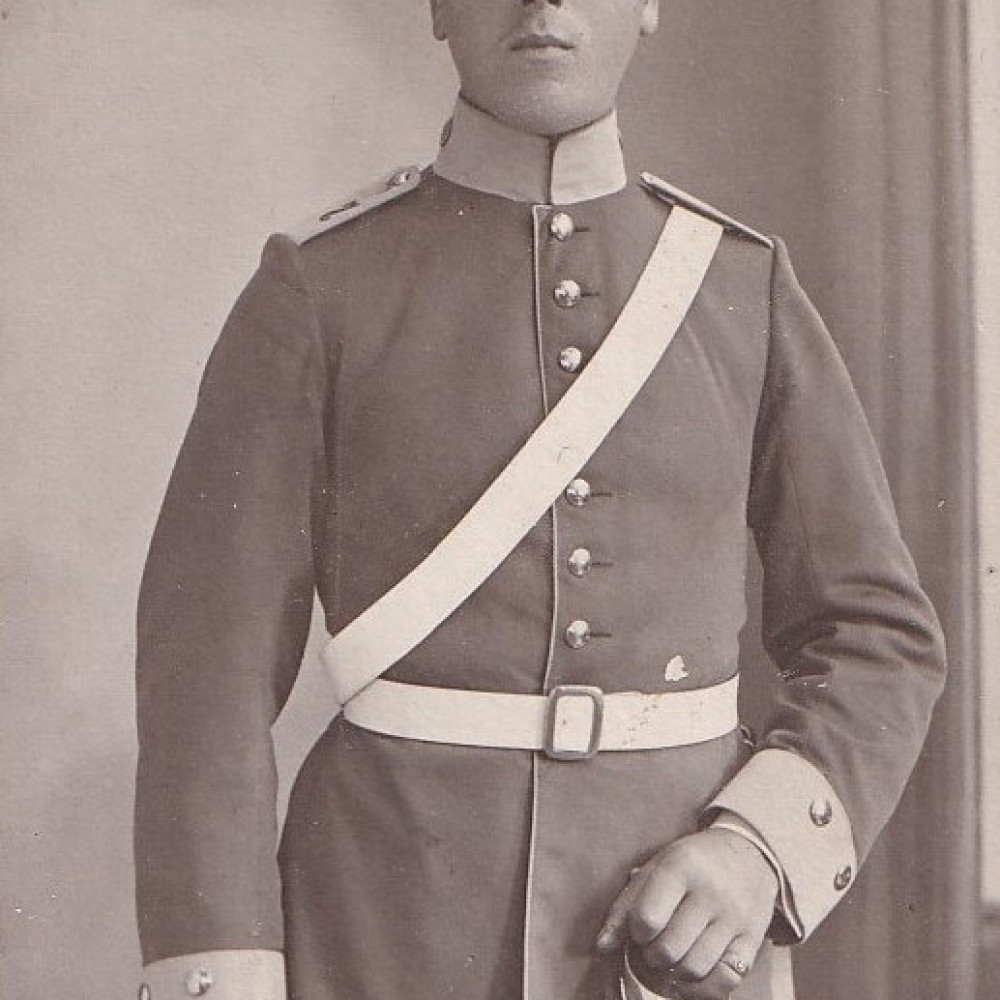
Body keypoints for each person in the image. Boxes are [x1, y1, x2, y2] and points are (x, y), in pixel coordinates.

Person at [133, 0, 946, 997]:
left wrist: (755, 847)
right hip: (382, 928)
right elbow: (201, 681)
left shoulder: (739, 289)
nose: (544, 0)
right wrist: (225, 971)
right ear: (436, 7)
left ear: (649, 6)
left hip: (679, 940)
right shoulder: (319, 289)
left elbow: (876, 636)